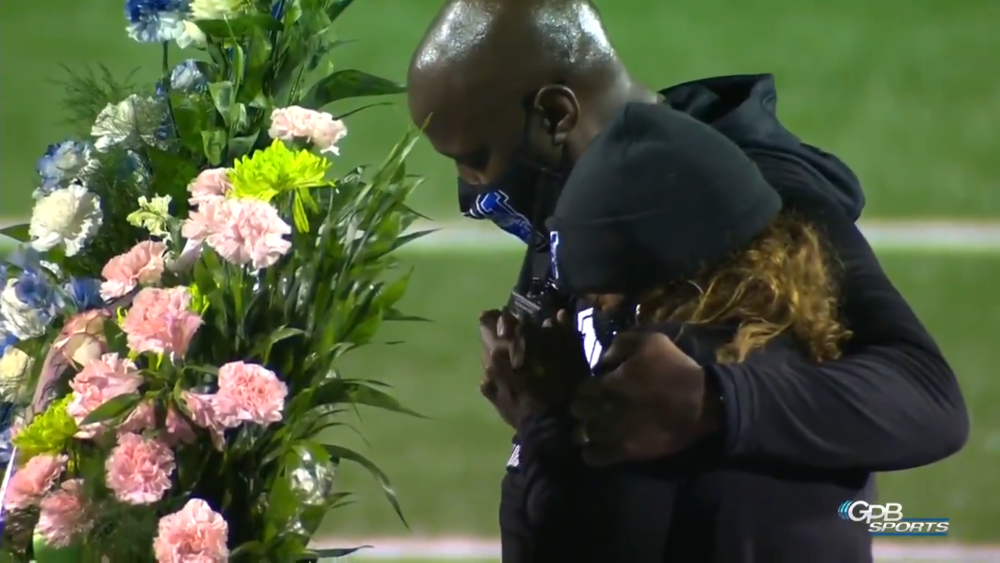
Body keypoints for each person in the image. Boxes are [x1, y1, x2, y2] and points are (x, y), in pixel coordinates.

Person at [408, 0, 967, 471]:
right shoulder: (578, 192)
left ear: (556, 114)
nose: (473, 193)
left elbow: (927, 398)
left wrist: (716, 403)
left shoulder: (752, 194)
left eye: (474, 159)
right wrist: (546, 400)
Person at [483, 102, 875, 561]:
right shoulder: (809, 351)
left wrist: (540, 419)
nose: (590, 315)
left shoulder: (657, 402)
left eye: (600, 298)